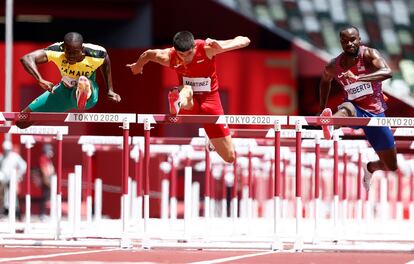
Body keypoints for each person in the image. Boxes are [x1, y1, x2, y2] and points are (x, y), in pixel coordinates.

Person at [126, 31, 250, 163]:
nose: (185, 58)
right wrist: (138, 66)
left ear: (194, 47)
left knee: (230, 157)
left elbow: (245, 40)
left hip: (210, 101)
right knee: (186, 89)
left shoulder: (207, 49)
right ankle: (177, 102)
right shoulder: (169, 57)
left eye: (189, 54)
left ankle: (180, 104)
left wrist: (221, 46)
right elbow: (148, 54)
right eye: (181, 55)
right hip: (188, 100)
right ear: (175, 50)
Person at [319, 25, 397, 192]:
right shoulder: (334, 65)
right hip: (355, 108)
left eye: (352, 39)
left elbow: (387, 72)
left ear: (359, 39)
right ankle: (330, 122)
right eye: (345, 41)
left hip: (375, 113)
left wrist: (358, 78)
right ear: (341, 43)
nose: (349, 44)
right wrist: (322, 108)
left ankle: (369, 167)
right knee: (347, 108)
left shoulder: (369, 54)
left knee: (390, 165)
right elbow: (325, 80)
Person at [18, 32, 121, 128]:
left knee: (84, 80)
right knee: (22, 121)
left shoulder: (96, 54)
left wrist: (110, 89)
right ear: (64, 48)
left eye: (75, 53)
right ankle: (78, 91)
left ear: (82, 49)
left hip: (90, 94)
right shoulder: (56, 50)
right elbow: (26, 58)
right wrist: (40, 79)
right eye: (68, 52)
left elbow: (105, 62)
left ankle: (83, 91)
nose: (71, 57)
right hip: (64, 91)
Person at [0, 140, 27, 218]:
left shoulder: (15, 156)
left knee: (13, 195)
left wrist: (18, 175)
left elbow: (23, 165)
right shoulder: (2, 157)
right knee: (4, 196)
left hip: (12, 179)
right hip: (3, 180)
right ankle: (5, 211)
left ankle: (17, 213)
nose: (6, 151)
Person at [38, 143, 55, 219]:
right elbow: (43, 169)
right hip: (46, 181)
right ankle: (42, 214)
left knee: (47, 198)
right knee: (44, 198)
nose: (51, 152)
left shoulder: (48, 159)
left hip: (49, 180)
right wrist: (47, 180)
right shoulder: (43, 158)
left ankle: (44, 214)